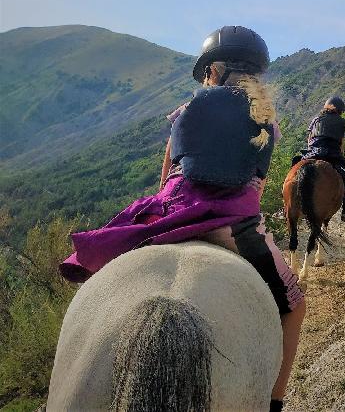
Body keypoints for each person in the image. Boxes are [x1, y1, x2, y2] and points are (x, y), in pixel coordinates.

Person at [58, 26, 303, 412]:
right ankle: (275, 401)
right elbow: (256, 187)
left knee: (101, 276)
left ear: (215, 71)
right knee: (295, 303)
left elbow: (166, 178)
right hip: (234, 227)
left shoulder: (184, 113)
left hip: (173, 212)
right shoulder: (266, 122)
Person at [302, 96, 345, 224]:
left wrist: (311, 152)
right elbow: (341, 144)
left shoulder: (315, 119)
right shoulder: (341, 122)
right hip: (332, 154)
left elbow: (309, 139)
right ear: (340, 111)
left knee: (296, 166)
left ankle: (284, 200)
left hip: (313, 152)